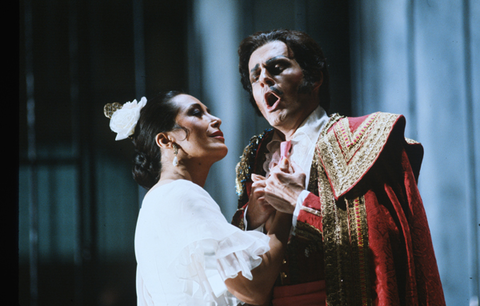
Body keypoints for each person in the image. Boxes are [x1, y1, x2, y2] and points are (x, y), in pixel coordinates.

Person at [231, 29, 446, 305]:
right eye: (255, 76)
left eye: (277, 67)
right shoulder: (257, 156)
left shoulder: (362, 138)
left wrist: (300, 203)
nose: (264, 80)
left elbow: (379, 244)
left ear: (315, 77)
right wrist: (253, 218)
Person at [104, 91, 292, 305]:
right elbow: (252, 290)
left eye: (208, 112)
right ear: (166, 140)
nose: (215, 119)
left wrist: (255, 222)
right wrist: (285, 208)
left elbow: (223, 286)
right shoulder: (181, 195)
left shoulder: (161, 198)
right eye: (196, 113)